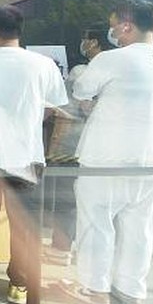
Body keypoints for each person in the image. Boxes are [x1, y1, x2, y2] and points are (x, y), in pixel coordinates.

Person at [61, 0, 153, 304]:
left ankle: (94, 287)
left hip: (106, 157)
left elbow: (81, 91)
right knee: (139, 226)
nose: (111, 31)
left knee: (96, 222)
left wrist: (93, 101)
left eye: (114, 24)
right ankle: (131, 291)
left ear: (127, 26)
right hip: (150, 159)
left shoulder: (112, 59)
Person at [0, 5, 67, 304]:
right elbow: (50, 110)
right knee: (24, 223)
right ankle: (20, 283)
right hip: (27, 155)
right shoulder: (43, 65)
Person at [43, 27, 113, 266]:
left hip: (73, 141)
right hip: (104, 146)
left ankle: (61, 249)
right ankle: (85, 251)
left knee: (66, 197)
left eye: (85, 38)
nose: (82, 42)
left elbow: (70, 104)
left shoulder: (82, 71)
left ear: (93, 42)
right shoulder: (118, 70)